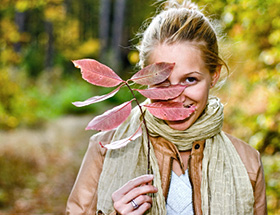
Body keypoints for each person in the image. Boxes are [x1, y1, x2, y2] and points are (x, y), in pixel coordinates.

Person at [66, 0, 267, 214]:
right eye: (162, 83)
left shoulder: (247, 162)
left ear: (214, 75)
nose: (175, 97)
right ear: (144, 78)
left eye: (190, 80)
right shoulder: (105, 149)